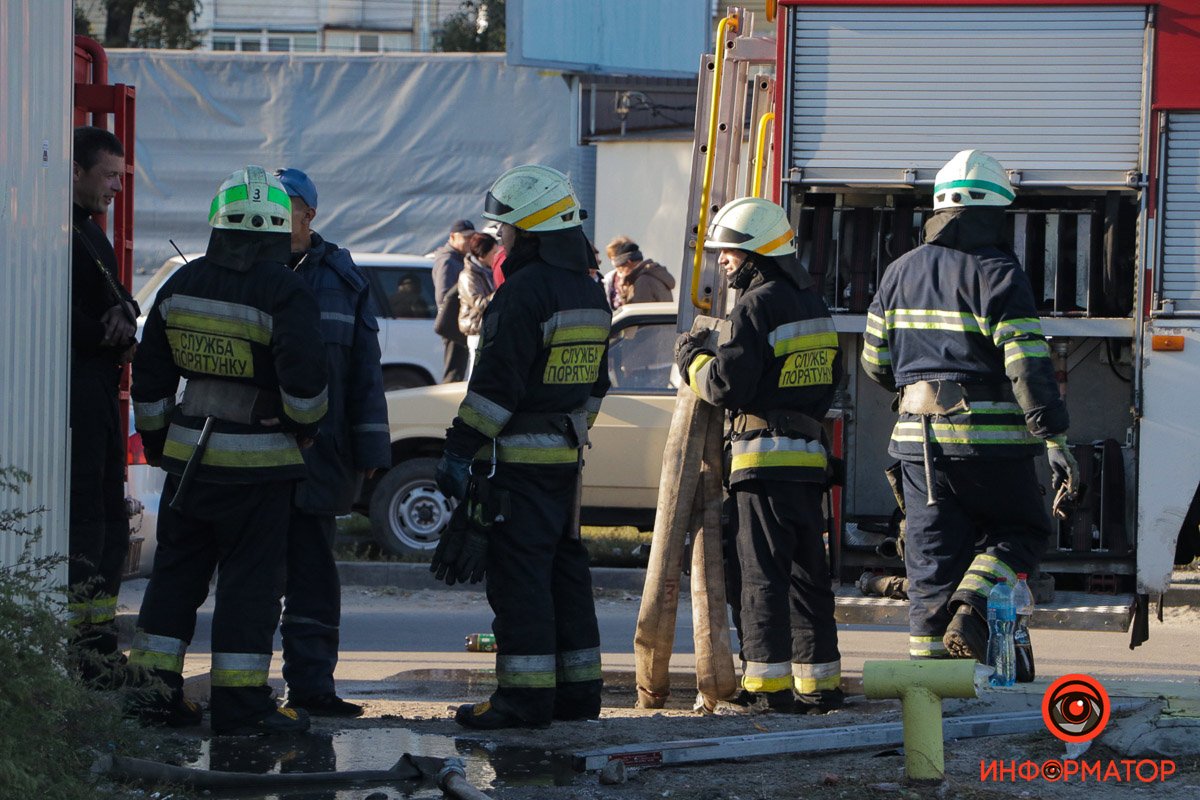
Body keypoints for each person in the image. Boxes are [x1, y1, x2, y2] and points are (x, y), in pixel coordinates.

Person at [128, 165, 328, 735]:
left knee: (174, 581)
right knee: (249, 588)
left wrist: (166, 444)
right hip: (260, 472)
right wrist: (299, 423)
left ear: (218, 223)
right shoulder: (285, 290)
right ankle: (242, 707)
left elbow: (149, 381)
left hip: (190, 467)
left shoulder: (180, 286)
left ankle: (149, 699)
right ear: (273, 231)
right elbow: (308, 385)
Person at [860, 149, 1076, 665]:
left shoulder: (899, 271)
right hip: (991, 446)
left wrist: (916, 387)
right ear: (996, 212)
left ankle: (930, 693)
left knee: (930, 562)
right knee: (1021, 531)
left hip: (918, 447)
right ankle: (973, 604)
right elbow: (1025, 363)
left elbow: (874, 361)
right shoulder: (999, 272)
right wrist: (1054, 438)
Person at [434, 165, 611, 729]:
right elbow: (597, 385)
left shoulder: (522, 296)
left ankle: (523, 700)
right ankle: (577, 695)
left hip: (516, 466)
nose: (502, 239)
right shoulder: (588, 291)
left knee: (521, 581)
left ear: (530, 233)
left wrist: (459, 451)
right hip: (564, 461)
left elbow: (494, 391)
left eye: (508, 229)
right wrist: (569, 432)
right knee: (564, 574)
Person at [674, 196, 844, 714]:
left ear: (756, 254)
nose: (722, 261)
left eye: (728, 252)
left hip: (762, 464)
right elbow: (830, 381)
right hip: (808, 465)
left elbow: (725, 386)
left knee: (761, 576)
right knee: (807, 576)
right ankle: (819, 687)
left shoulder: (754, 306)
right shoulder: (814, 305)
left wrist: (692, 359)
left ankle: (767, 690)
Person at [274, 168, 390, 718]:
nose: (272, 216)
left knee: (314, 578)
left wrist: (371, 451)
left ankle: (313, 689)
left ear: (308, 215)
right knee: (251, 578)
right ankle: (241, 693)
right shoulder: (246, 268)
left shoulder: (343, 279)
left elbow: (365, 370)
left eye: (283, 206)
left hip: (321, 457)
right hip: (255, 459)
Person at [68, 126, 138, 682]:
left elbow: (114, 300)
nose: (118, 187)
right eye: (109, 175)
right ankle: (83, 654)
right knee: (88, 523)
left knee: (112, 524)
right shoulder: (53, 235)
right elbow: (53, 317)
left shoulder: (92, 234)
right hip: (75, 398)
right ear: (75, 170)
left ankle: (98, 644)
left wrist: (125, 314)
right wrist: (105, 330)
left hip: (100, 395)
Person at [433, 219, 475, 382]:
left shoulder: (457, 259)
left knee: (458, 371)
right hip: (453, 325)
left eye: (472, 237)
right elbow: (444, 296)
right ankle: (448, 407)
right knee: (454, 373)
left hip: (458, 324)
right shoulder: (447, 261)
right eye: (465, 237)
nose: (470, 241)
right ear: (453, 237)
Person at [457, 231, 498, 340]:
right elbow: (479, 304)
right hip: (476, 330)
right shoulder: (468, 276)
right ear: (483, 253)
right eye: (494, 253)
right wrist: (500, 292)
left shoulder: (488, 271)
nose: (496, 256)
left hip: (488, 329)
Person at [612, 240, 675, 305]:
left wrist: (623, 293)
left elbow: (637, 312)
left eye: (621, 270)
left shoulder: (643, 282)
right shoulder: (655, 274)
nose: (620, 275)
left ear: (629, 262)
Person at [603, 235, 634, 310]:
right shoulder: (609, 278)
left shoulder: (636, 275)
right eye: (612, 259)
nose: (614, 262)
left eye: (616, 258)